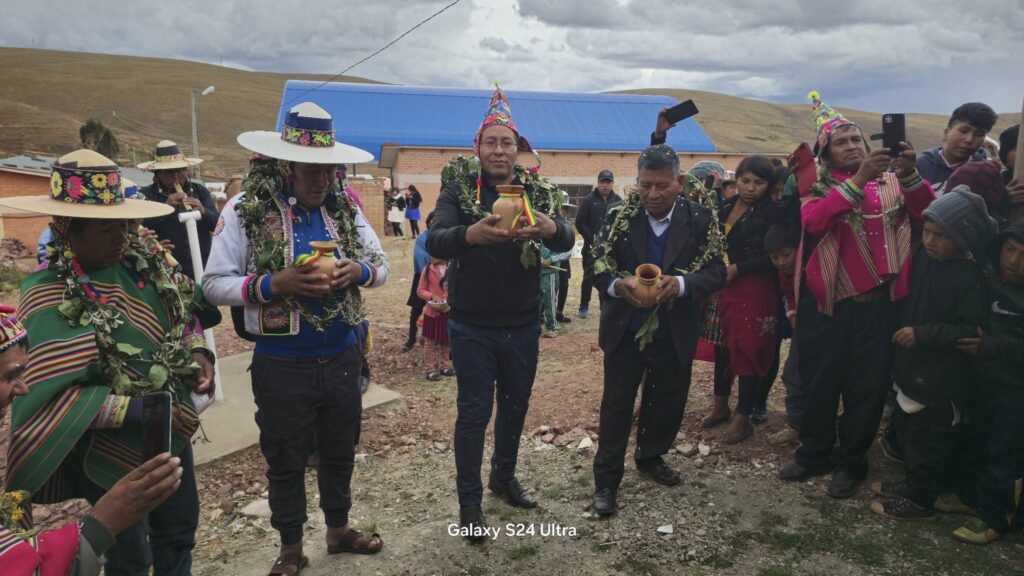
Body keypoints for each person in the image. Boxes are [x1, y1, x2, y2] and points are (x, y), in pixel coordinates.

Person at [0, 149, 220, 576]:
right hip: (103, 446)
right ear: (67, 230)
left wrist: (199, 353)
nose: (123, 235)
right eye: (107, 228)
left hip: (170, 434)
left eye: (127, 223)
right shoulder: (46, 295)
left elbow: (184, 321)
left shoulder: (147, 269)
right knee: (127, 550)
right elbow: (46, 399)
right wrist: (140, 408)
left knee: (178, 531)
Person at [204, 102, 388, 573]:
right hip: (282, 364)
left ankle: (338, 529)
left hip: (342, 355)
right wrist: (272, 285)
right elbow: (212, 282)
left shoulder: (344, 208)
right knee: (284, 456)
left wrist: (360, 270)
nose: (321, 181)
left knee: (340, 448)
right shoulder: (246, 209)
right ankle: (290, 547)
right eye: (311, 170)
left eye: (328, 170)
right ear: (286, 165)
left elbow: (382, 265)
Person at [427, 84, 574, 542]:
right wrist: (469, 235)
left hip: (522, 324)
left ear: (518, 150)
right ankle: (469, 504)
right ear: (478, 148)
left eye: (506, 142)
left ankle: (503, 476)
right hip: (470, 325)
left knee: (514, 406)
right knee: (473, 414)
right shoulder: (457, 191)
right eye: (490, 141)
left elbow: (566, 239)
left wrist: (550, 227)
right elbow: (434, 239)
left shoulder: (536, 191)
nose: (498, 149)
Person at [779, 92, 934, 499]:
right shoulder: (816, 187)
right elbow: (814, 222)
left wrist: (913, 175)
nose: (852, 147)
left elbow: (929, 216)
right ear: (825, 154)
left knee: (867, 388)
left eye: (857, 141)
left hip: (879, 307)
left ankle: (851, 461)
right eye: (842, 142)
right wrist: (860, 178)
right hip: (826, 306)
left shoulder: (895, 184)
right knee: (818, 383)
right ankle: (815, 452)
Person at [589, 144, 726, 516]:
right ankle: (606, 481)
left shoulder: (698, 218)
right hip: (625, 330)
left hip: (674, 330)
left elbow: (715, 271)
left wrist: (680, 286)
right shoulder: (619, 216)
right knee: (616, 404)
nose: (653, 195)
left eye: (662, 186)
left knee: (666, 400)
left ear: (679, 183)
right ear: (637, 182)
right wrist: (619, 287)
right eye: (645, 185)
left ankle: (650, 456)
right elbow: (596, 266)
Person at [0, 305, 187, 576]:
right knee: (130, 555)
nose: (24, 389)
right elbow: (46, 402)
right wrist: (104, 522)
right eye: (9, 376)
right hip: (95, 458)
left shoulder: (141, 278)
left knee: (177, 529)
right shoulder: (47, 301)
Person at [868, 187, 994, 521]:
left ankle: (921, 501)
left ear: (965, 239)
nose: (932, 240)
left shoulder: (972, 279)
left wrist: (922, 334)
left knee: (930, 443)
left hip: (942, 377)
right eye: (928, 232)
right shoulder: (925, 259)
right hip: (914, 369)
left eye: (942, 235)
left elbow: (968, 331)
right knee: (909, 433)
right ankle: (913, 484)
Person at [951, 220, 1024, 544]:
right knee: (976, 437)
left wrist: (991, 346)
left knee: (1006, 453)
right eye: (1010, 249)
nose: (1014, 261)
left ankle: (997, 517)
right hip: (983, 379)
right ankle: (970, 499)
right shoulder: (988, 275)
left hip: (1016, 389)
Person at [702, 156, 781, 444]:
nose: (750, 188)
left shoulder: (773, 213)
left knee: (747, 349)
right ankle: (720, 407)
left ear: (768, 185)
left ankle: (743, 417)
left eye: (758, 183)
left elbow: (777, 256)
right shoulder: (726, 206)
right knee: (723, 347)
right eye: (745, 181)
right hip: (725, 286)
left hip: (756, 288)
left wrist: (739, 269)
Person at [137, 140, 220, 279]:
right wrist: (165, 208)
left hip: (204, 267)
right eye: (169, 171)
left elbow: (218, 224)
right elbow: (140, 227)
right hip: (167, 270)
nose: (176, 175)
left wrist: (203, 211)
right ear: (157, 174)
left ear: (187, 171)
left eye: (180, 170)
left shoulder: (200, 191)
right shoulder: (146, 195)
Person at [764, 224, 805, 446]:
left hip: (823, 327)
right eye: (775, 258)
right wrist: (792, 313)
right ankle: (797, 425)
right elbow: (788, 294)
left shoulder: (813, 266)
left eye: (786, 255)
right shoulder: (783, 273)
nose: (781, 262)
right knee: (792, 374)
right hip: (802, 326)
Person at [916, 103, 998, 194]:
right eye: (964, 131)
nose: (969, 140)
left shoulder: (985, 174)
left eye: (979, 134)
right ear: (946, 133)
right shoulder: (917, 166)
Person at [576, 169, 622, 319]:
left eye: (608, 182)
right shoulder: (589, 200)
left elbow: (622, 222)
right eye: (603, 182)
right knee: (588, 277)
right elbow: (579, 223)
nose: (605, 185)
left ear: (612, 183)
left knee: (607, 276)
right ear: (598, 183)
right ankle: (584, 306)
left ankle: (605, 306)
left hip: (610, 249)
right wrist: (591, 237)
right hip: (591, 247)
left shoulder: (618, 201)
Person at [417, 255, 452, 380]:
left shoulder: (452, 268)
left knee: (446, 341)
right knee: (430, 342)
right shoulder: (427, 270)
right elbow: (420, 290)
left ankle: (445, 366)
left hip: (447, 311)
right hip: (432, 312)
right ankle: (430, 370)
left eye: (436, 253)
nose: (431, 256)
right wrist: (432, 296)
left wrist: (449, 300)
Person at [404, 211, 434, 351]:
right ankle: (411, 339)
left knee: (443, 310)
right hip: (422, 276)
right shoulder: (422, 238)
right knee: (416, 309)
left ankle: (444, 341)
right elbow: (420, 256)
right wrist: (433, 266)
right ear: (428, 222)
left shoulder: (443, 236)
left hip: (440, 278)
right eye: (432, 221)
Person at [539, 244, 571, 337]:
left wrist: (551, 260)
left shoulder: (558, 235)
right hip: (537, 272)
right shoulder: (535, 234)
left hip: (550, 274)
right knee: (536, 300)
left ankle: (552, 327)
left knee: (549, 301)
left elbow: (567, 252)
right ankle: (535, 327)